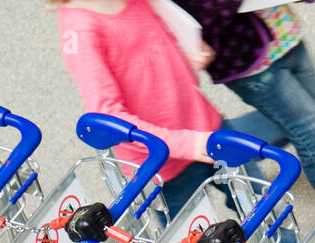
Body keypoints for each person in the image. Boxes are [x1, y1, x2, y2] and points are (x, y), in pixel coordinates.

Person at [52, 0, 283, 218]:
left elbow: (155, 46)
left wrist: (187, 50)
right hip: (158, 163)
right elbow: (109, 116)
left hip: (207, 127)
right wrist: (186, 143)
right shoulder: (80, 29)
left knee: (268, 217)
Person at [171, 1, 315, 238]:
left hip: (283, 35)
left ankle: (227, 145)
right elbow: (206, 13)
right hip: (249, 61)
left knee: (311, 109)